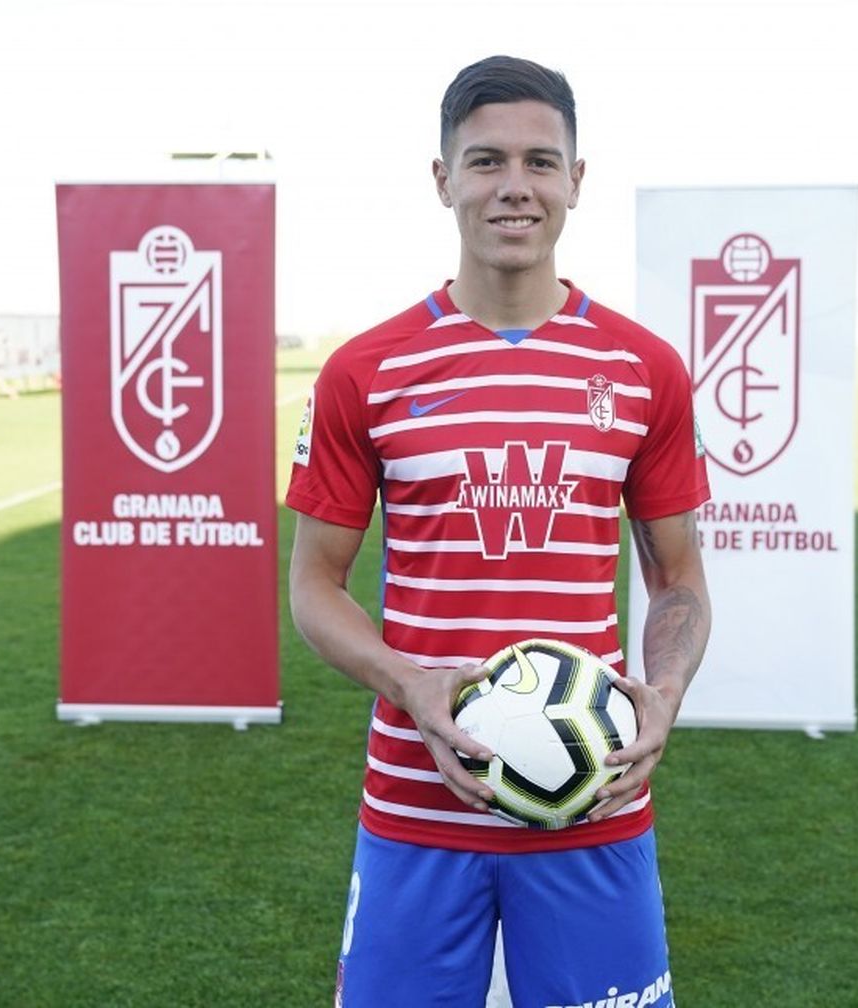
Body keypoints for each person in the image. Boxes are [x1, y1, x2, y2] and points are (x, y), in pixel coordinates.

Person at [286, 54, 711, 1008]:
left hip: (596, 802)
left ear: (575, 181)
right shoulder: (366, 371)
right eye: (486, 161)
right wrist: (407, 681)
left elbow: (678, 578)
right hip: (415, 802)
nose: (514, 186)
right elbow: (314, 587)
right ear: (444, 180)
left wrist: (666, 691)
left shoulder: (644, 369)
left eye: (539, 161)